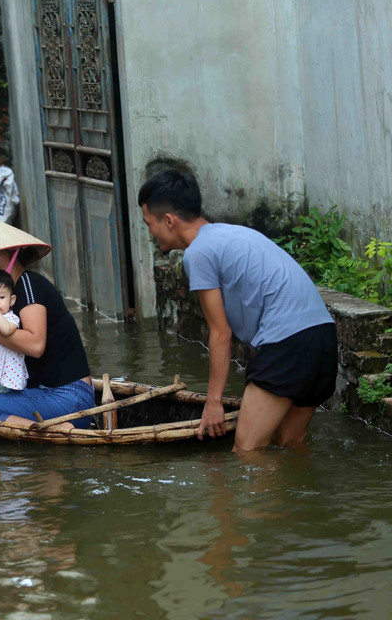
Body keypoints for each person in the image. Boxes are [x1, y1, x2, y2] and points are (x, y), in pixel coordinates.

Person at [137, 169, 337, 452]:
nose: (149, 232)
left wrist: (213, 403)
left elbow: (220, 333)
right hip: (323, 338)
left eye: (148, 223)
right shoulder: (230, 233)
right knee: (291, 446)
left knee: (247, 452)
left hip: (288, 344)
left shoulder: (199, 253)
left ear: (169, 220)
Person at [0, 216, 95, 430]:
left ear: (12, 252)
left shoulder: (28, 284)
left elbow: (35, 345)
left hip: (69, 398)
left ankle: (47, 430)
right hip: (34, 390)